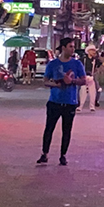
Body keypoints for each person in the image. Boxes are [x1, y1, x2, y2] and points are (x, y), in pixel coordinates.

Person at [38, 38, 85, 166]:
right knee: (49, 128)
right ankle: (45, 153)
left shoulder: (77, 64)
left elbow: (83, 80)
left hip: (70, 102)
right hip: (54, 101)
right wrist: (56, 84)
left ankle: (63, 155)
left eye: (73, 47)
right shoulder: (53, 64)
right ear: (63, 48)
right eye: (70, 46)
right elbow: (46, 80)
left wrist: (72, 81)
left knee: (66, 130)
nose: (72, 49)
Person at [79, 46, 99, 113]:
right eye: (92, 50)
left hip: (91, 77)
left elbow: (102, 64)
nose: (94, 52)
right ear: (88, 51)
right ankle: (80, 106)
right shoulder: (83, 59)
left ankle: (92, 106)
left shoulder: (94, 60)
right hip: (84, 77)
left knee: (93, 92)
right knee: (83, 92)